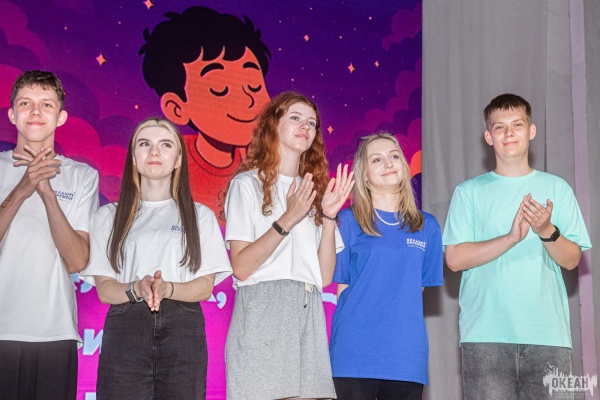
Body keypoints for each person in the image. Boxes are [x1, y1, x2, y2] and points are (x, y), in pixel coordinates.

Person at [443, 93, 592, 400]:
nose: (509, 133)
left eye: (517, 124)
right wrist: (510, 238)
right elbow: (455, 259)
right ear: (489, 137)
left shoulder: (557, 188)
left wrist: (546, 230)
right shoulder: (468, 192)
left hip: (548, 338)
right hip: (485, 337)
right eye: (499, 127)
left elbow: (572, 259)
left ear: (531, 131)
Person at [79, 118, 232, 399]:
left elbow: (204, 286)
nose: (154, 152)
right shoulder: (108, 216)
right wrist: (137, 288)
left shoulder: (200, 216)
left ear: (178, 159)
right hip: (126, 327)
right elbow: (105, 289)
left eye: (165, 145)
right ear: (133, 157)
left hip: (183, 329)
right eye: (144, 144)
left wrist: (167, 288)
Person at [223, 91, 353, 400]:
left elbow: (323, 277)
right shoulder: (247, 184)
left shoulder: (315, 192)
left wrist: (328, 216)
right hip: (263, 306)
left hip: (308, 306)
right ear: (273, 125)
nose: (305, 126)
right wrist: (289, 218)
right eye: (295, 118)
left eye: (312, 123)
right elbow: (241, 267)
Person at [0, 70, 99, 399]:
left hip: (55, 332)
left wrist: (46, 193)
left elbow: (77, 260)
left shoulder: (82, 176)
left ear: (61, 117)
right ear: (12, 115)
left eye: (46, 104)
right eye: (25, 103)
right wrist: (22, 189)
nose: (35, 111)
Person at [329, 133, 443, 400]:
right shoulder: (347, 220)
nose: (388, 163)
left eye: (394, 156)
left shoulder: (428, 226)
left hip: (405, 356)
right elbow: (342, 288)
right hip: (353, 354)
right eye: (377, 159)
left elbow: (417, 288)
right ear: (364, 175)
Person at [140, 6, 271, 216]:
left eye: (254, 86)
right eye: (220, 89)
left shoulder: (257, 160)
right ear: (177, 108)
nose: (247, 100)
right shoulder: (172, 161)